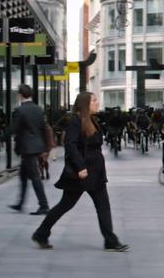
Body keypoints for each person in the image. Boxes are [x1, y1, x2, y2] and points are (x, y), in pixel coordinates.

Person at [32, 92, 128, 252]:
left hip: (95, 171)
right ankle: (41, 233)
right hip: (82, 173)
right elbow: (70, 145)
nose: (97, 103)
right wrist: (81, 167)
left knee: (103, 205)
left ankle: (110, 241)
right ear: (85, 104)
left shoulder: (92, 120)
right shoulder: (76, 121)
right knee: (65, 205)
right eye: (94, 101)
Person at [8, 85, 50, 215]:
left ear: (21, 95)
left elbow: (14, 128)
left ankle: (44, 205)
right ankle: (20, 204)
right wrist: (45, 147)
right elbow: (44, 128)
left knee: (35, 177)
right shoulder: (38, 109)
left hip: (27, 148)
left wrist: (3, 136)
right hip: (36, 146)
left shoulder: (20, 110)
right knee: (23, 176)